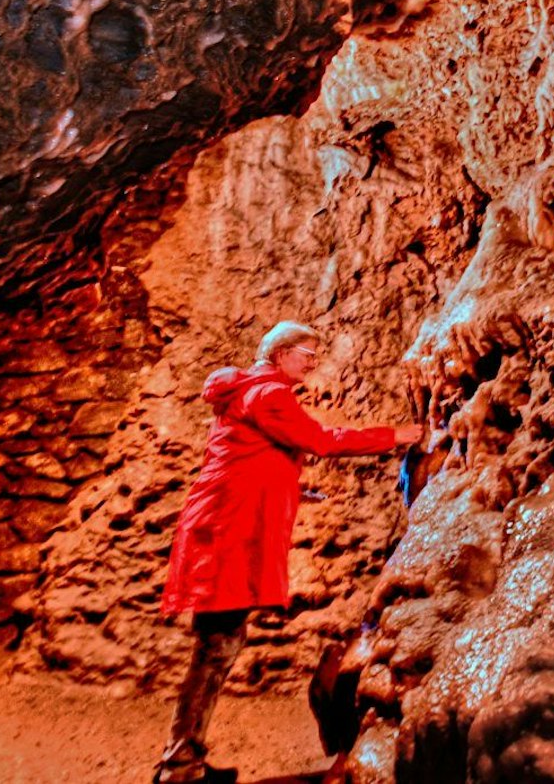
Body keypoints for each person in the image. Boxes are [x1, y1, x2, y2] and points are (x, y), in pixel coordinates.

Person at [155, 321, 423, 784]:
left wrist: (290, 490)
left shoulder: (250, 392)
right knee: (217, 646)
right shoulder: (269, 395)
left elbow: (251, 456)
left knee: (217, 644)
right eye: (307, 352)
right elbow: (320, 441)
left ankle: (184, 757)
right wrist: (393, 436)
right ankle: (179, 766)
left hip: (222, 525)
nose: (313, 361)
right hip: (228, 534)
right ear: (280, 354)